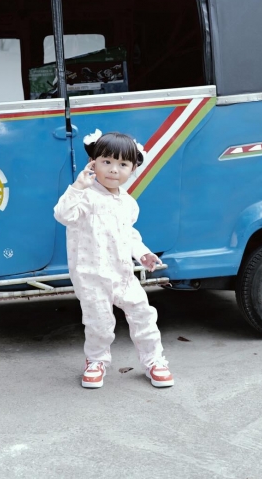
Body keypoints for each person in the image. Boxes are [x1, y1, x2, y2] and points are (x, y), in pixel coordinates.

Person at [54, 130, 174, 389]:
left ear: (133, 169)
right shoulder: (84, 195)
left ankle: (154, 361)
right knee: (99, 323)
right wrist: (77, 187)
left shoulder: (128, 203)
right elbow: (63, 215)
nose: (113, 170)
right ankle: (96, 361)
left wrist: (143, 253)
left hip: (122, 273)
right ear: (92, 163)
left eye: (122, 164)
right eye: (106, 161)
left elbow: (129, 234)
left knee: (144, 315)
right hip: (91, 275)